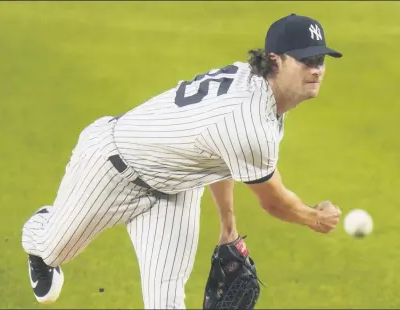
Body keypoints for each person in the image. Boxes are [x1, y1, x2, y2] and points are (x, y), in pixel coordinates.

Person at [22, 13, 342, 309]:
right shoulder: (250, 120)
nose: (316, 69)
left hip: (178, 189)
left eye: (320, 59)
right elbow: (274, 202)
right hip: (111, 166)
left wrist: (228, 228)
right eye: (305, 59)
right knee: (53, 249)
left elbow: (219, 154)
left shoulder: (257, 88)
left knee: (167, 302)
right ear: (275, 60)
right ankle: (43, 226)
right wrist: (314, 218)